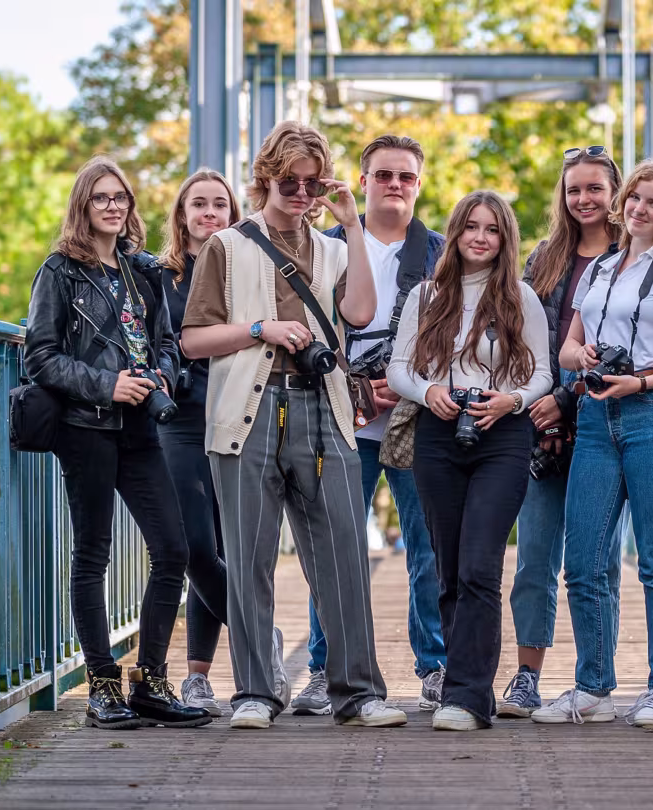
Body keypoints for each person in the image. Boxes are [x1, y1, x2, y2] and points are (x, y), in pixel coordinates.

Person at [179, 121, 407, 730]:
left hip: (323, 408)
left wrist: (353, 224)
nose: (302, 194)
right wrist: (261, 330)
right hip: (247, 414)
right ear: (265, 179)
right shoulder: (227, 246)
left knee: (342, 554)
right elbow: (193, 340)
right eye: (289, 182)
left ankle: (357, 692)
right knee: (249, 557)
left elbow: (359, 311)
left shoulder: (333, 248)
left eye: (312, 183)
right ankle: (254, 691)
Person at [24, 156, 210, 730]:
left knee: (173, 550)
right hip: (86, 426)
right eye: (101, 197)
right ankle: (102, 688)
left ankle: (150, 681)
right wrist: (109, 384)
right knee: (92, 557)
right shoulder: (60, 271)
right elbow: (40, 355)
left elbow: (167, 344)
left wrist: (160, 376)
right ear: (83, 206)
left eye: (121, 198)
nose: (113, 206)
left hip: (140, 429)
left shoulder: (142, 270)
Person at [533, 159, 653, 729]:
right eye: (635, 198)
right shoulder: (600, 270)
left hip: (652, 418)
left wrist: (642, 380)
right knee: (584, 562)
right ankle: (594, 687)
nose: (639, 208)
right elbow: (566, 350)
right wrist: (582, 358)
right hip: (594, 418)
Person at [294, 135, 449, 716]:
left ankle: (434, 667)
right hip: (340, 412)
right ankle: (321, 668)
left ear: (419, 184)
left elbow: (454, 333)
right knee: (330, 546)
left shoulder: (441, 252)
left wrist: (399, 385)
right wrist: (357, 385)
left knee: (427, 549)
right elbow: (305, 324)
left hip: (417, 415)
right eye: (383, 175)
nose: (395, 185)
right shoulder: (324, 245)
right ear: (362, 182)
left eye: (405, 176)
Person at [386, 191, 552, 730]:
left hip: (501, 433)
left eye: (492, 229)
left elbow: (543, 375)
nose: (480, 237)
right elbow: (398, 369)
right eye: (471, 227)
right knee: (448, 567)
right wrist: (427, 390)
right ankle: (467, 690)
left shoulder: (520, 296)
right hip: (438, 432)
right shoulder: (427, 294)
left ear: (505, 239)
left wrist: (514, 400)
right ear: (455, 233)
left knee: (481, 565)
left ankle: (464, 696)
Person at [498, 146, 623, 718]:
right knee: (535, 560)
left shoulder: (636, 258)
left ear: (614, 193)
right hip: (540, 428)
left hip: (605, 422)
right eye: (574, 190)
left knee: (595, 564)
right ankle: (527, 675)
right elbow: (519, 336)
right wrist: (535, 403)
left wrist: (565, 400)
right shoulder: (544, 259)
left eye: (595, 188)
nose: (584, 199)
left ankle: (596, 680)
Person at [155, 168, 241, 716]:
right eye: (199, 205)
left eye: (220, 205)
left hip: (235, 410)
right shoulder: (156, 274)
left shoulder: (244, 269)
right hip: (178, 416)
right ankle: (258, 632)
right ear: (182, 214)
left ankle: (198, 678)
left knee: (223, 546)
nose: (210, 213)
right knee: (191, 545)